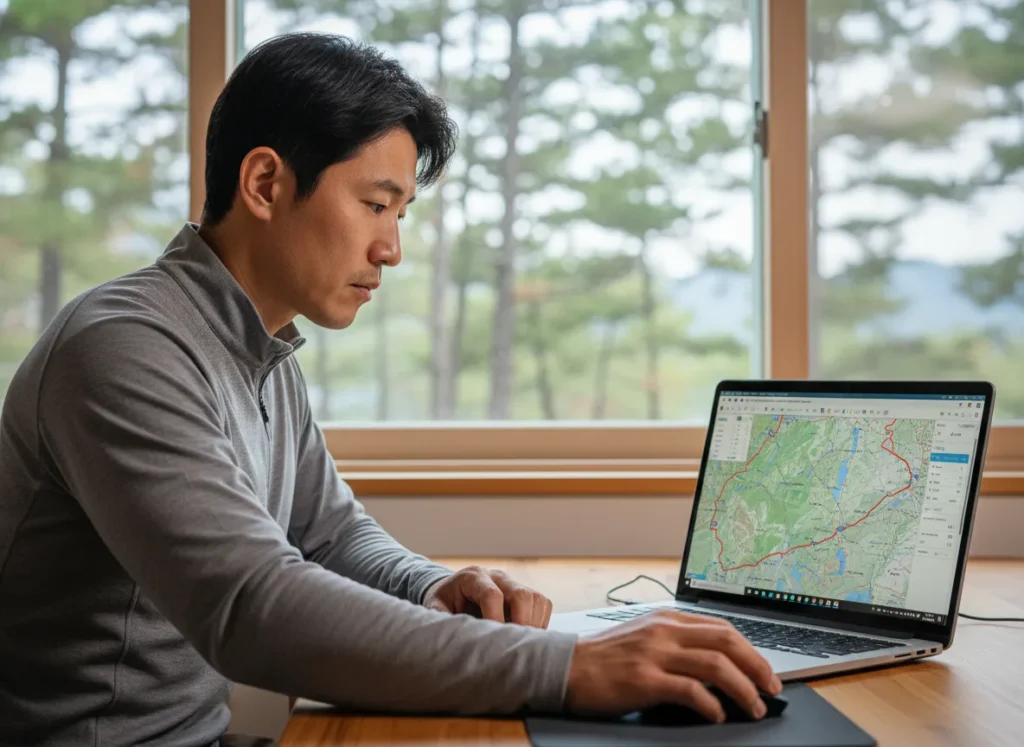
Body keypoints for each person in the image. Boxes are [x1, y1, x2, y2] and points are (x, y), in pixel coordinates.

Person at [0, 33, 781, 746]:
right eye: (375, 204)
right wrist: (569, 666)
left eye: (400, 212)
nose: (392, 248)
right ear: (265, 182)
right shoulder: (125, 347)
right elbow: (249, 606)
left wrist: (434, 583)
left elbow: (330, 534)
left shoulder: (261, 351)